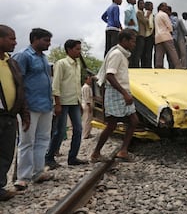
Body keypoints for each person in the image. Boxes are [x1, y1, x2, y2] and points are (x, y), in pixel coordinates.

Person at [14, 28, 54, 190]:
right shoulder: (24, 56)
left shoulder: (43, 58)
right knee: (26, 142)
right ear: (35, 39)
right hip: (29, 107)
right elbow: (18, 82)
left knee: (43, 140)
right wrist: (22, 108)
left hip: (45, 105)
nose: (49, 44)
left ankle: (38, 172)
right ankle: (23, 177)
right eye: (46, 40)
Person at [91, 29, 139, 162]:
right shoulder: (117, 54)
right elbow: (110, 76)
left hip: (122, 91)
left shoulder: (122, 54)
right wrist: (124, 93)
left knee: (134, 121)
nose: (134, 44)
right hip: (116, 92)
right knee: (112, 124)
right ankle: (96, 153)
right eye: (132, 41)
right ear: (124, 41)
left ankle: (123, 151)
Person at [46, 39, 87, 168]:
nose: (79, 52)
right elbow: (56, 84)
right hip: (63, 102)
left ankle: (73, 157)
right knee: (60, 130)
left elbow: (76, 85)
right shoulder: (61, 63)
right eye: (77, 49)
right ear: (69, 50)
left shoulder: (77, 64)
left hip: (74, 102)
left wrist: (80, 103)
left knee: (78, 129)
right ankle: (49, 157)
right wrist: (57, 103)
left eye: (80, 49)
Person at [0, 25, 30, 200]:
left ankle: (0, 188)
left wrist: (24, 113)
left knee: (6, 155)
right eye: (11, 38)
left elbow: (20, 89)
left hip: (9, 116)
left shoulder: (11, 62)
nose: (15, 42)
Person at [154, 2, 183, 69]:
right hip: (165, 35)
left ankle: (158, 66)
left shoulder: (156, 15)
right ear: (161, 7)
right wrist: (171, 31)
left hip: (158, 36)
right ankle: (178, 66)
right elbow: (169, 26)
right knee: (172, 51)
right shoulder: (164, 15)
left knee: (159, 53)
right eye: (165, 6)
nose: (167, 7)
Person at [124, 0, 139, 68]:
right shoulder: (130, 7)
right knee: (131, 48)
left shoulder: (132, 7)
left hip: (133, 30)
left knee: (133, 49)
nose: (135, 0)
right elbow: (126, 11)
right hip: (131, 30)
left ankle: (132, 65)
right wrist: (128, 21)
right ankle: (131, 66)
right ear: (129, 0)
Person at [136, 0, 149, 68]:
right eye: (141, 4)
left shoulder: (142, 12)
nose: (143, 5)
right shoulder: (139, 12)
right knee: (139, 51)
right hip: (140, 34)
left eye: (143, 4)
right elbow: (144, 21)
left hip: (143, 34)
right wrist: (147, 16)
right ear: (138, 5)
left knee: (143, 52)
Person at [143, 1, 155, 68]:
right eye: (151, 6)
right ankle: (148, 66)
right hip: (148, 34)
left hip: (146, 35)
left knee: (146, 52)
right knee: (148, 52)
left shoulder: (146, 13)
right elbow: (150, 24)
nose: (152, 7)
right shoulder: (148, 13)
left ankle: (145, 66)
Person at [81, 74, 93, 139]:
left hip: (87, 105)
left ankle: (88, 133)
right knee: (86, 120)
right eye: (89, 79)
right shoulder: (86, 87)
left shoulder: (88, 87)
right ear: (86, 80)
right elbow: (87, 98)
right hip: (87, 105)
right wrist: (90, 106)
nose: (90, 81)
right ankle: (85, 135)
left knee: (88, 120)